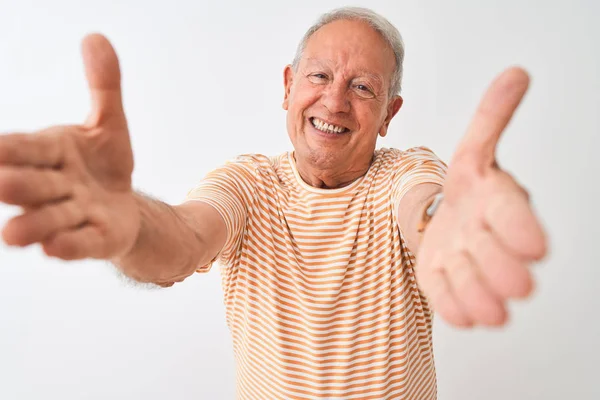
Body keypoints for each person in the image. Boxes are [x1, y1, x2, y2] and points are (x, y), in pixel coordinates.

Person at [0, 6, 547, 400]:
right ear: (289, 87)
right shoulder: (248, 183)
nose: (334, 100)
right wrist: (133, 226)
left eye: (362, 88)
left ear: (389, 114)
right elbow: (185, 238)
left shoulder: (406, 172)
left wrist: (444, 221)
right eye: (319, 76)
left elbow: (424, 209)